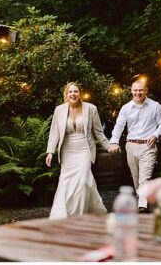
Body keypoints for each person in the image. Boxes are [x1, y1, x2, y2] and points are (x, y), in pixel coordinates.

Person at [46, 82, 109, 219]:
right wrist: (50, 151)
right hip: (67, 151)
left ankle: (78, 216)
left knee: (82, 182)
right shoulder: (59, 110)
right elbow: (54, 132)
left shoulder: (91, 109)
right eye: (70, 92)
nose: (73, 94)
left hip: (84, 150)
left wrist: (108, 146)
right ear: (66, 94)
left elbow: (98, 131)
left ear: (80, 93)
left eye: (75, 91)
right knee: (67, 183)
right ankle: (64, 214)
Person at [108, 80, 161, 213]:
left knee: (144, 178)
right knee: (136, 178)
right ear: (131, 91)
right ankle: (142, 199)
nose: (138, 93)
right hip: (131, 146)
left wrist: (156, 135)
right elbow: (119, 126)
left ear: (146, 90)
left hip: (148, 145)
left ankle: (142, 206)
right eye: (135, 90)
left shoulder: (155, 106)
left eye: (140, 90)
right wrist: (114, 141)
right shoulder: (126, 108)